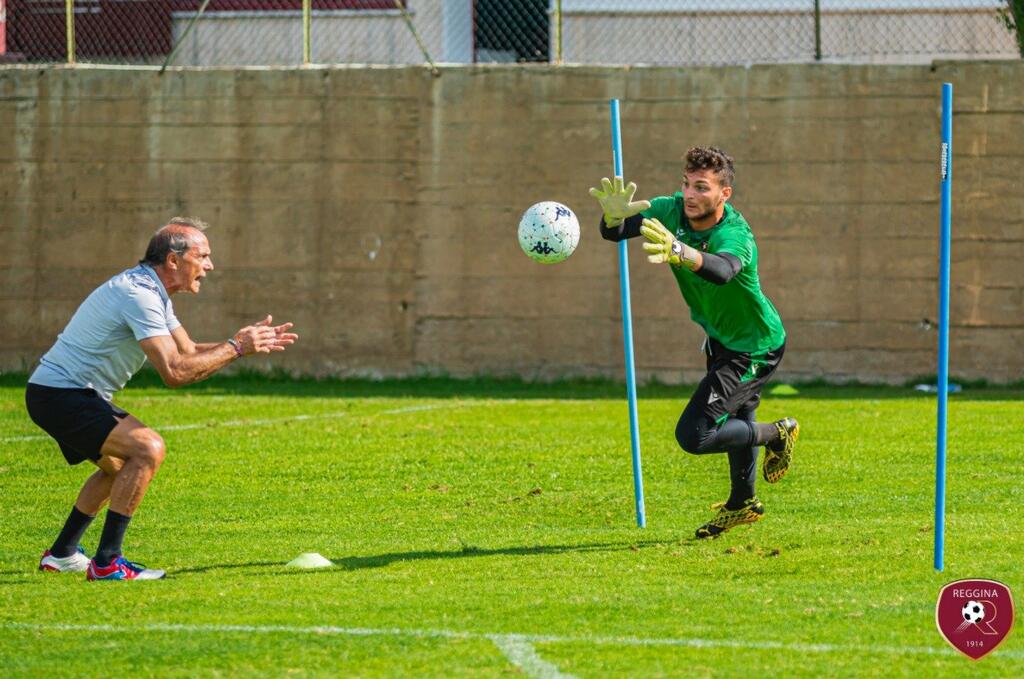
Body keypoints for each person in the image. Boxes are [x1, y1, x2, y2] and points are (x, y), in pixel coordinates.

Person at [25, 217, 298, 580]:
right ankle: (108, 563)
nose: (209, 266)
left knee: (120, 469)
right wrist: (235, 348)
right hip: (61, 394)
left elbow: (186, 350)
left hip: (64, 393)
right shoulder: (138, 295)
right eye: (203, 256)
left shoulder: (151, 292)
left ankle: (61, 554)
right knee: (148, 449)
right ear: (173, 260)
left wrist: (243, 346)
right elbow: (175, 372)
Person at [590, 146, 799, 539]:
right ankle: (743, 505)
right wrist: (612, 217)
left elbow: (723, 270)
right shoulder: (671, 211)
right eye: (686, 184)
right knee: (736, 420)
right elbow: (616, 233)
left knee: (695, 434)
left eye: (701, 187)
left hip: (754, 346)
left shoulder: (734, 232)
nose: (689, 194)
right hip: (720, 339)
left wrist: (682, 253)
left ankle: (778, 433)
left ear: (724, 194)